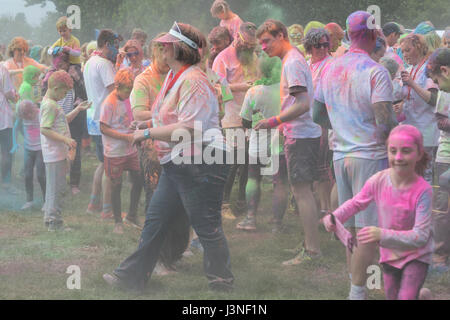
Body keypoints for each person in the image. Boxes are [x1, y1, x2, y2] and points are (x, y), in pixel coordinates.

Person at [103, 22, 233, 292]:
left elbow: (189, 128)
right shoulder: (176, 77)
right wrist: (146, 125)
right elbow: (167, 116)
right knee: (155, 220)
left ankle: (222, 283)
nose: (161, 48)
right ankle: (130, 278)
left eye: (166, 44)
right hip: (179, 162)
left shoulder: (193, 81)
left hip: (201, 161)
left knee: (206, 225)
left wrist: (148, 133)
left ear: (179, 49)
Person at [313, 11, 396, 299]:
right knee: (367, 232)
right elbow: (384, 123)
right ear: (374, 35)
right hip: (370, 157)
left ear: (348, 35)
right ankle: (357, 293)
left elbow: (316, 114)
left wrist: (342, 125)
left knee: (351, 229)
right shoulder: (377, 71)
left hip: (341, 156)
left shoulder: (329, 68)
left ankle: (358, 285)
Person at [324, 125, 433, 300]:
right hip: (390, 255)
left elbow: (421, 235)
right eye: (393, 151)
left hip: (416, 255)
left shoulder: (423, 191)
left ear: (419, 154)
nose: (398, 157)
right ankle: (424, 296)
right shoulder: (379, 179)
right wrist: (335, 216)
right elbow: (355, 203)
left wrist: (381, 234)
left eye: (406, 151)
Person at [255, 19, 323, 265]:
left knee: (301, 191)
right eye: (261, 42)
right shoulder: (291, 60)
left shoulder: (293, 62)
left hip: (302, 135)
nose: (263, 47)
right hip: (302, 133)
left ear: (281, 35)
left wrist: (273, 121)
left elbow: (303, 104)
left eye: (266, 41)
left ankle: (313, 250)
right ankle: (309, 242)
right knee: (305, 190)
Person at [236, 53, 288, 232]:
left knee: (253, 178)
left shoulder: (254, 91)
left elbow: (245, 120)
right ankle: (277, 224)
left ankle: (250, 219)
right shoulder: (284, 89)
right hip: (279, 141)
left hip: (257, 142)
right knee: (280, 182)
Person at [213, 22, 258, 219]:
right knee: (233, 160)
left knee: (248, 160)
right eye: (246, 45)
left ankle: (242, 200)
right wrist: (242, 87)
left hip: (252, 116)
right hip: (231, 116)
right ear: (237, 39)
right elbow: (217, 89)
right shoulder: (222, 58)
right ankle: (223, 203)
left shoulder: (253, 56)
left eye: (252, 46)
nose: (249, 48)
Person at [40, 70, 90, 231]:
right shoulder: (49, 105)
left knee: (54, 188)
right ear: (55, 88)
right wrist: (66, 139)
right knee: (56, 189)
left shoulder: (53, 104)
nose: (64, 95)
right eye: (64, 92)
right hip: (54, 154)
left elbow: (62, 120)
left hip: (57, 154)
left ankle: (50, 218)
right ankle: (54, 223)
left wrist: (77, 110)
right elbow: (45, 129)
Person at [100, 69, 143, 234]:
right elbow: (103, 128)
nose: (129, 92)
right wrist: (124, 137)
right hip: (114, 151)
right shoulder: (109, 103)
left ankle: (132, 215)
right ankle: (118, 221)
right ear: (117, 86)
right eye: (127, 89)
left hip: (130, 149)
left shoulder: (129, 99)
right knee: (116, 184)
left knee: (138, 179)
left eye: (131, 89)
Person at [83, 29, 120, 217]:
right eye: (116, 44)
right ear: (107, 44)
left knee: (102, 163)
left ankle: (93, 203)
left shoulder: (90, 62)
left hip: (93, 119)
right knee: (109, 165)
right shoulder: (104, 64)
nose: (118, 49)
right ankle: (107, 209)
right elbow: (116, 91)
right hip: (105, 120)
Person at [399, 33, 439, 184]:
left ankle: (423, 206)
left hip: (426, 132)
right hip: (411, 130)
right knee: (413, 175)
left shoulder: (428, 68)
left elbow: (433, 99)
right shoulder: (410, 69)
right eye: (402, 51)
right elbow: (408, 97)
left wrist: (413, 84)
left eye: (408, 50)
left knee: (424, 176)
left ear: (420, 48)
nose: (405, 54)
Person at [304, 28, 334, 218]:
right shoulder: (306, 65)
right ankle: (317, 206)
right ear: (309, 46)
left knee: (323, 167)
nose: (322, 49)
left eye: (325, 44)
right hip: (305, 122)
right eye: (318, 45)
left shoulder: (331, 64)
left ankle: (328, 209)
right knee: (313, 168)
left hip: (324, 122)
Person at [426, 48, 450, 273]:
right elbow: (440, 121)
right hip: (446, 157)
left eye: (436, 80)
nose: (437, 85)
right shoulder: (444, 93)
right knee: (443, 210)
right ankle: (441, 255)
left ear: (445, 70)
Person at [17, 100, 46, 210]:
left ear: (33, 110)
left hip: (40, 149)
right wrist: (23, 140)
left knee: (40, 175)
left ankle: (46, 201)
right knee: (27, 175)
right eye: (24, 114)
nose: (28, 116)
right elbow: (18, 127)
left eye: (29, 113)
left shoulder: (40, 114)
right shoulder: (22, 117)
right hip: (28, 149)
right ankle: (29, 200)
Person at [0, 62, 18, 193]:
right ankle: (6, 184)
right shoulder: (2, 69)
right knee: (6, 151)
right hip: (3, 118)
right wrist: (15, 97)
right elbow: (8, 93)